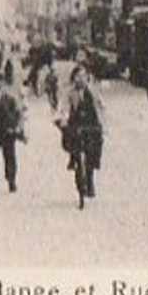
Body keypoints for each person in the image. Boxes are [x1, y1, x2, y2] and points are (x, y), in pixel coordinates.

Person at [60, 65, 105, 202]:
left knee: (95, 146)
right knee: (71, 141)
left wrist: (102, 123)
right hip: (76, 124)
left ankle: (91, 177)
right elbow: (65, 107)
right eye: (78, 76)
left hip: (91, 124)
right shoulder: (69, 92)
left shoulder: (93, 91)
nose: (81, 79)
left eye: (83, 76)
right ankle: (73, 159)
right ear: (73, 78)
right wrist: (64, 120)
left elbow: (100, 107)